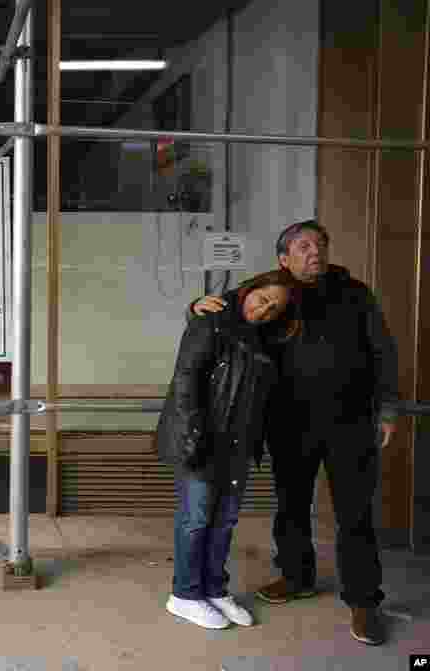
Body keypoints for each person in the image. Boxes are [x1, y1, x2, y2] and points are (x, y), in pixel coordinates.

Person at [190, 219, 399, 645]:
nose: (314, 251)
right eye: (303, 246)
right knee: (291, 506)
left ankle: (364, 600)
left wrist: (388, 408)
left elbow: (383, 350)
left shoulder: (354, 292)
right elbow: (222, 311)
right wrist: (195, 305)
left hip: (351, 421)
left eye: (320, 244)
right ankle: (297, 576)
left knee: (355, 514)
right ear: (284, 258)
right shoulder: (269, 288)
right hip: (288, 422)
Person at [156, 268, 301, 630]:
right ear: (249, 289)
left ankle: (215, 590)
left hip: (238, 443)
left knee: (224, 521)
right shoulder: (212, 321)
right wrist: (193, 436)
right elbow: (186, 378)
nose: (265, 309)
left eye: (274, 309)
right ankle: (185, 595)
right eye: (262, 298)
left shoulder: (264, 339)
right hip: (203, 439)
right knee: (197, 519)